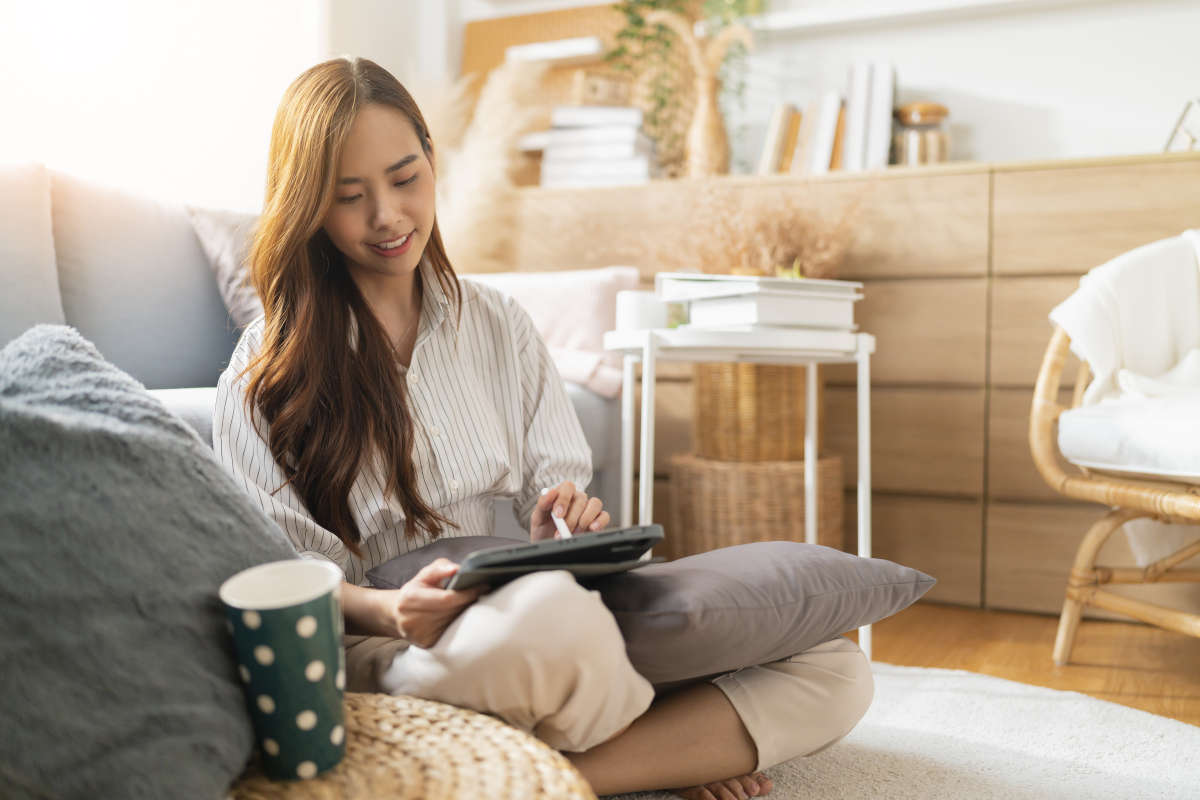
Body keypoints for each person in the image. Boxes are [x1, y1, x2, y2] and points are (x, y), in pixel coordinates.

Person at [214, 56, 872, 800]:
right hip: (401, 647)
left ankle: (562, 773)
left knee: (835, 667)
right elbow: (281, 577)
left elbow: (554, 504)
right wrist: (392, 612)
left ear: (432, 160)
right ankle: (675, 744)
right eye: (349, 197)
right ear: (308, 206)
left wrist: (565, 519)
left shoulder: (499, 323)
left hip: (528, 615)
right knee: (551, 624)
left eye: (404, 179)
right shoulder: (264, 371)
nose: (388, 216)